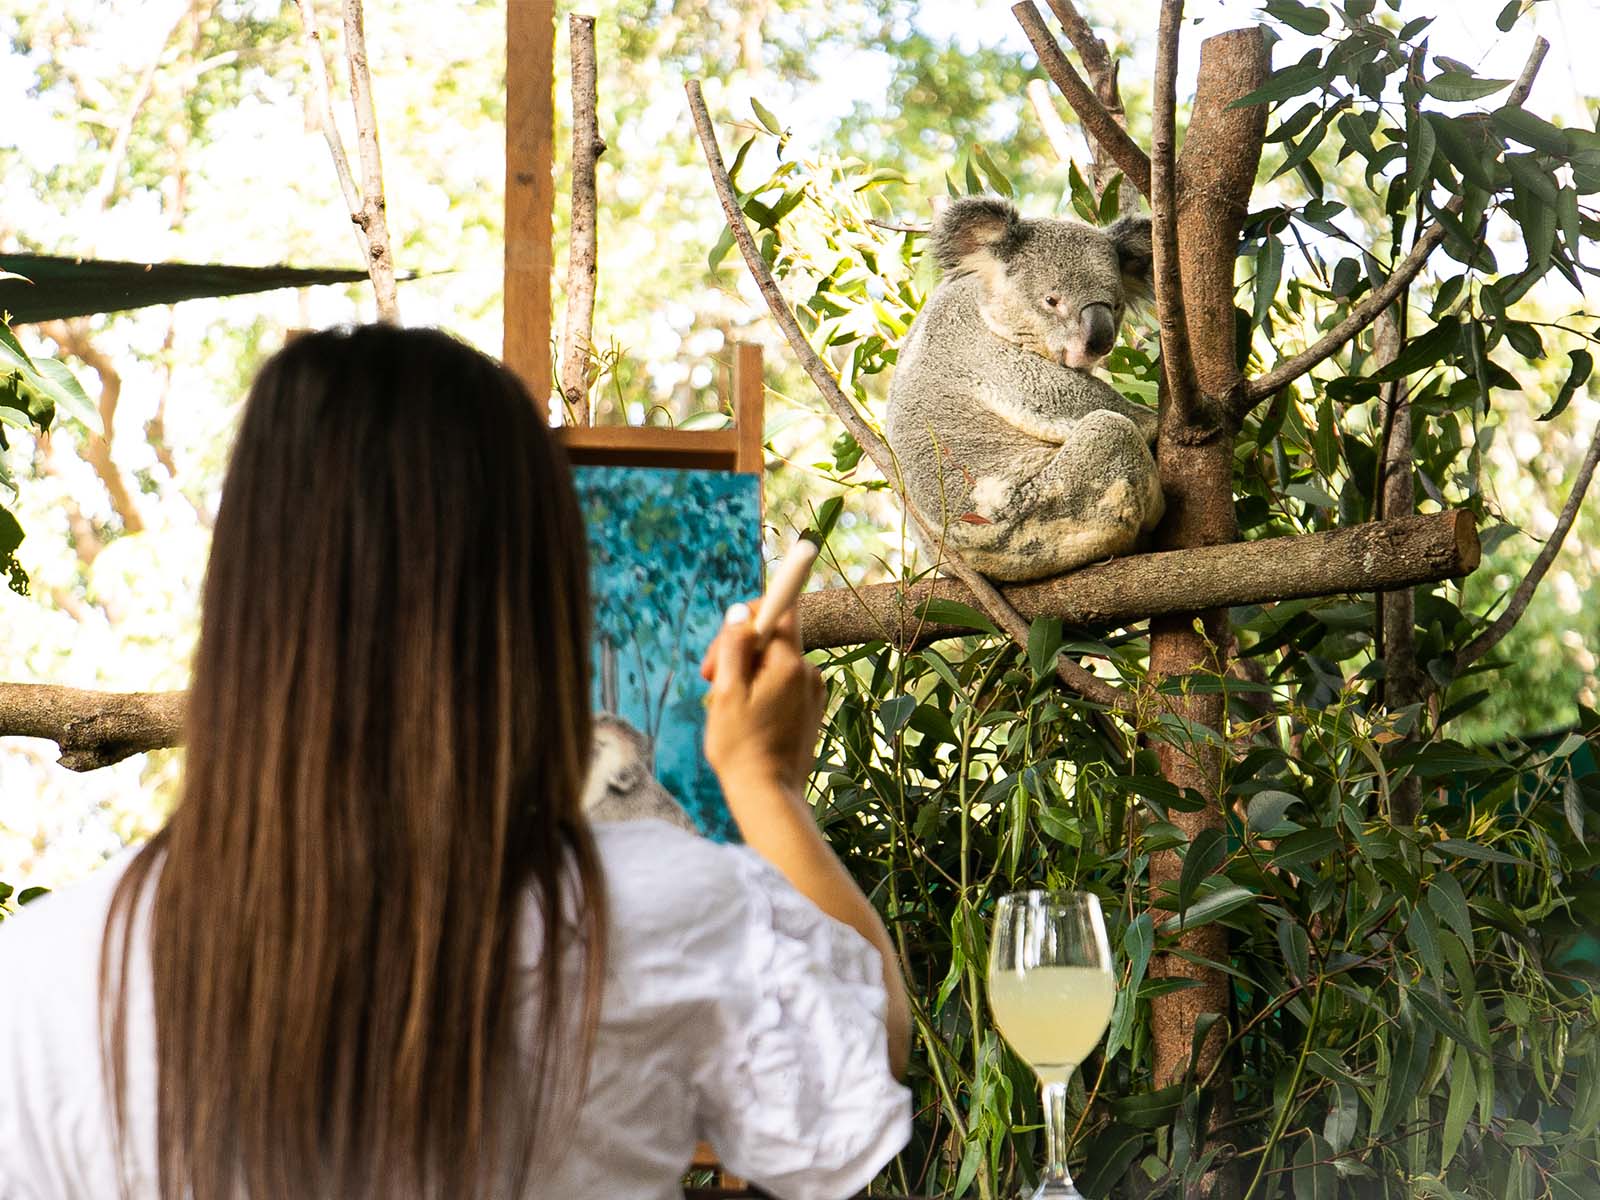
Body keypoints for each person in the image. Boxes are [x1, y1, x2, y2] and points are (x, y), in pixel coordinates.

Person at [0, 325, 911, 1200]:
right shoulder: (661, 910)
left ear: (243, 598)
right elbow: (860, 1064)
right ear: (537, 602)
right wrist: (763, 781)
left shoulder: (41, 976)